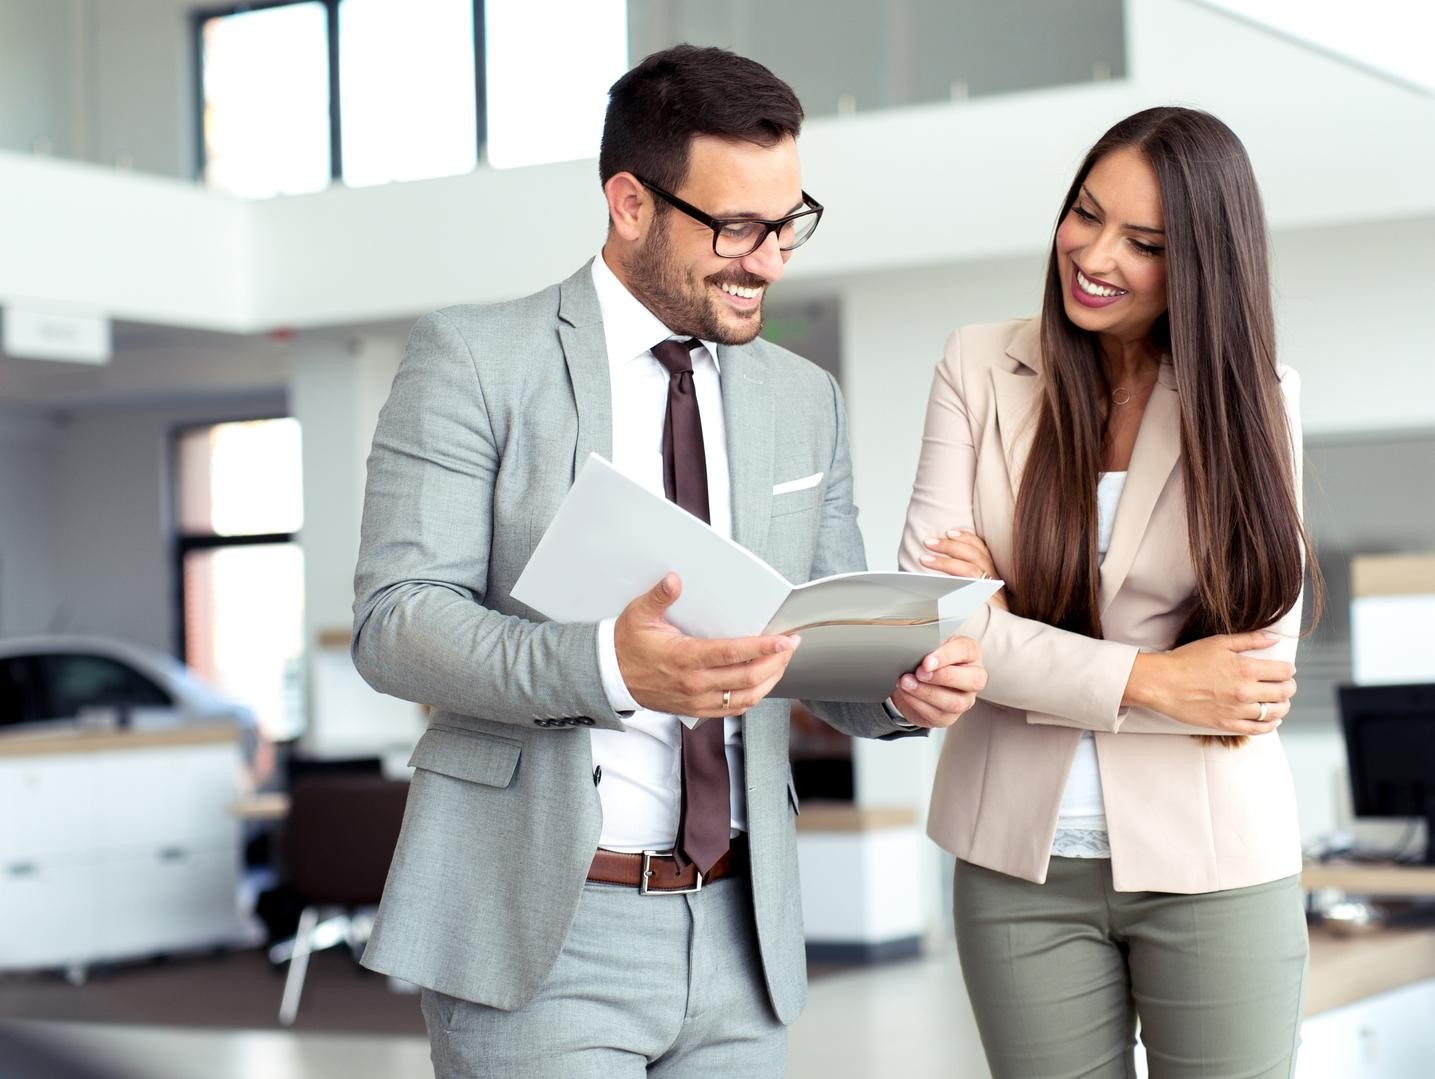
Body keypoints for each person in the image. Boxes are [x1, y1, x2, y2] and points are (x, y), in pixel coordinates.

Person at [351, 45, 985, 1078]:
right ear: (629, 203)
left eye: (786, 224)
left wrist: (907, 680)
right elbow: (396, 619)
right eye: (736, 227)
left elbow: (821, 635)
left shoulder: (800, 397)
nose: (770, 260)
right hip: (542, 929)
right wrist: (608, 665)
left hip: (742, 933)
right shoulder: (476, 359)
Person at [900, 106, 1318, 1078]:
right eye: (1084, 214)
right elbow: (940, 622)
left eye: (1142, 242)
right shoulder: (978, 363)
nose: (1091, 254)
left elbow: (1251, 677)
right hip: (1014, 864)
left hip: (1217, 860)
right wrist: (1154, 679)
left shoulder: (1259, 397)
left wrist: (1018, 643)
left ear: (1201, 263)